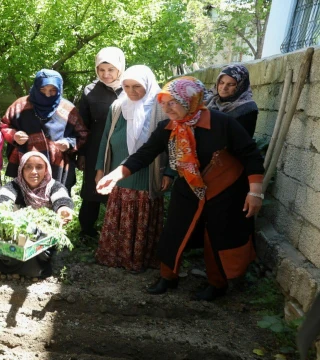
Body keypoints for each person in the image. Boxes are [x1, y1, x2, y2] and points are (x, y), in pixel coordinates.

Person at [96, 77, 264, 301]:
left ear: (191, 101)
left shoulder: (222, 123)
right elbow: (146, 153)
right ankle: (168, 277)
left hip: (224, 186)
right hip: (188, 184)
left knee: (215, 234)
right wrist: (117, 174)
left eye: (172, 103)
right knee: (174, 230)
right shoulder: (169, 127)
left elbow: (250, 155)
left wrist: (254, 192)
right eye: (163, 103)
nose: (166, 108)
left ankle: (217, 283)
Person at [94, 65, 170, 273]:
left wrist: (169, 172)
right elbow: (106, 139)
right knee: (120, 212)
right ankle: (115, 256)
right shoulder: (118, 107)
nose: (131, 92)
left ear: (148, 84)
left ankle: (139, 259)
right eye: (126, 86)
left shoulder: (163, 108)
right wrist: (101, 168)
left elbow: (173, 145)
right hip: (119, 172)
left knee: (143, 213)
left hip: (149, 173)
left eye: (137, 87)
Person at [1, 69, 88, 192]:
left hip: (58, 166)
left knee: (58, 202)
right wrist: (14, 135)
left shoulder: (68, 109)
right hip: (27, 165)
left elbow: (82, 135)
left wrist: (69, 143)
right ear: (36, 87)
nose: (47, 95)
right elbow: (4, 126)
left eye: (53, 91)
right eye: (43, 90)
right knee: (24, 204)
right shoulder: (20, 105)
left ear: (60, 89)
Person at [0, 151, 73, 278]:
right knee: (9, 253)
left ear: (46, 170)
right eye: (28, 167)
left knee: (40, 255)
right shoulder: (15, 185)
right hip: (17, 236)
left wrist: (63, 209)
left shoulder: (54, 186)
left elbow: (61, 198)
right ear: (21, 169)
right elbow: (4, 195)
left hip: (41, 237)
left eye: (39, 167)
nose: (33, 171)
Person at [76, 47, 125, 239]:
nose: (106, 74)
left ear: (120, 68)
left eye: (110, 70)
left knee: (120, 186)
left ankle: (116, 232)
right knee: (92, 187)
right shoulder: (90, 90)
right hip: (96, 145)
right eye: (101, 70)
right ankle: (86, 230)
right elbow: (82, 124)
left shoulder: (130, 87)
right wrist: (82, 153)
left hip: (122, 145)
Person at [206, 64, 259, 137]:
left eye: (231, 84)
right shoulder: (210, 100)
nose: (224, 88)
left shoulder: (247, 108)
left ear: (241, 86)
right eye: (221, 83)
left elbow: (242, 140)